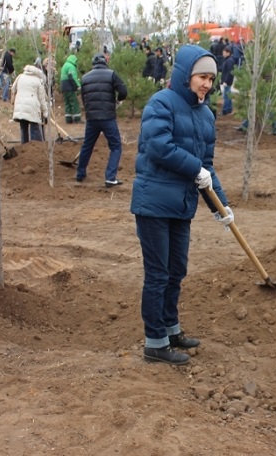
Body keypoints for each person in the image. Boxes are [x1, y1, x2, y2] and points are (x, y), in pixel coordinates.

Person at [131, 45, 233, 365]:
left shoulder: (205, 114)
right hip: (154, 203)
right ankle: (155, 342)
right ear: (185, 74)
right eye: (202, 76)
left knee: (177, 270)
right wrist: (195, 169)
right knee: (158, 274)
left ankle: (171, 330)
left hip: (182, 204)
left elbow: (206, 166)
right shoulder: (161, 103)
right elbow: (159, 147)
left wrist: (221, 205)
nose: (207, 83)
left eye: (211, 78)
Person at [76, 53, 128, 187]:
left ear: (93, 64)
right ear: (105, 62)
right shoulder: (111, 74)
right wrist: (118, 101)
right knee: (116, 146)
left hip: (91, 118)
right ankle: (110, 177)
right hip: (107, 117)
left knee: (87, 145)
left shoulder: (85, 78)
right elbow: (123, 91)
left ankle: (80, 174)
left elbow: (83, 98)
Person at [10, 64, 50, 143]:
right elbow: (41, 99)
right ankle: (35, 148)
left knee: (23, 128)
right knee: (35, 128)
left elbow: (13, 89)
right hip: (32, 108)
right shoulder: (38, 80)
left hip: (20, 107)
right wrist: (45, 112)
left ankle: (24, 147)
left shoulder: (20, 77)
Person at [60, 54, 82, 124]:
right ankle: (77, 119)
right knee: (74, 103)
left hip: (64, 87)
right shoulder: (71, 66)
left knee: (67, 103)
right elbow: (72, 77)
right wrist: (78, 86)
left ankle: (68, 119)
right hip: (70, 87)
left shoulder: (64, 65)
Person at [220, 46, 235, 116]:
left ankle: (226, 110)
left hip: (227, 81)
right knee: (228, 95)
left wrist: (225, 81)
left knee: (226, 96)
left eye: (224, 53)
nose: (223, 54)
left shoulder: (229, 61)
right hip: (227, 81)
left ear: (228, 53)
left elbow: (229, 72)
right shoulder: (228, 60)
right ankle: (229, 109)